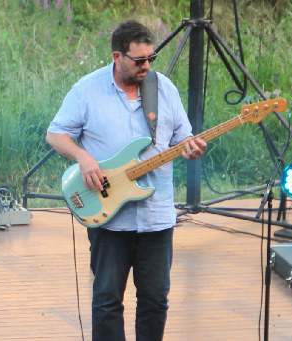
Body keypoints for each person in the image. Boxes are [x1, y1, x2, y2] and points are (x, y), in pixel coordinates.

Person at [46, 20, 207, 341]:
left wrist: (190, 148)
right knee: (107, 300)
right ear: (117, 56)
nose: (146, 66)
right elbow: (56, 134)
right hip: (108, 217)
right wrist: (84, 157)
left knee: (155, 300)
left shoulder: (164, 89)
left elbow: (182, 136)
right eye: (139, 60)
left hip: (157, 216)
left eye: (151, 59)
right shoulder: (87, 89)